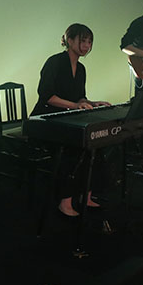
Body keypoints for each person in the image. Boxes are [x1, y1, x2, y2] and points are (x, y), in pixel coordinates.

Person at [31, 23, 110, 217]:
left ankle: (86, 195)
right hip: (43, 120)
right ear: (69, 40)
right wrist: (75, 105)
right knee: (72, 148)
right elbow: (47, 96)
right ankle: (65, 202)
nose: (86, 46)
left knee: (94, 145)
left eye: (89, 42)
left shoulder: (81, 68)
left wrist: (92, 103)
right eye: (83, 41)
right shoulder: (54, 62)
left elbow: (80, 97)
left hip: (66, 119)